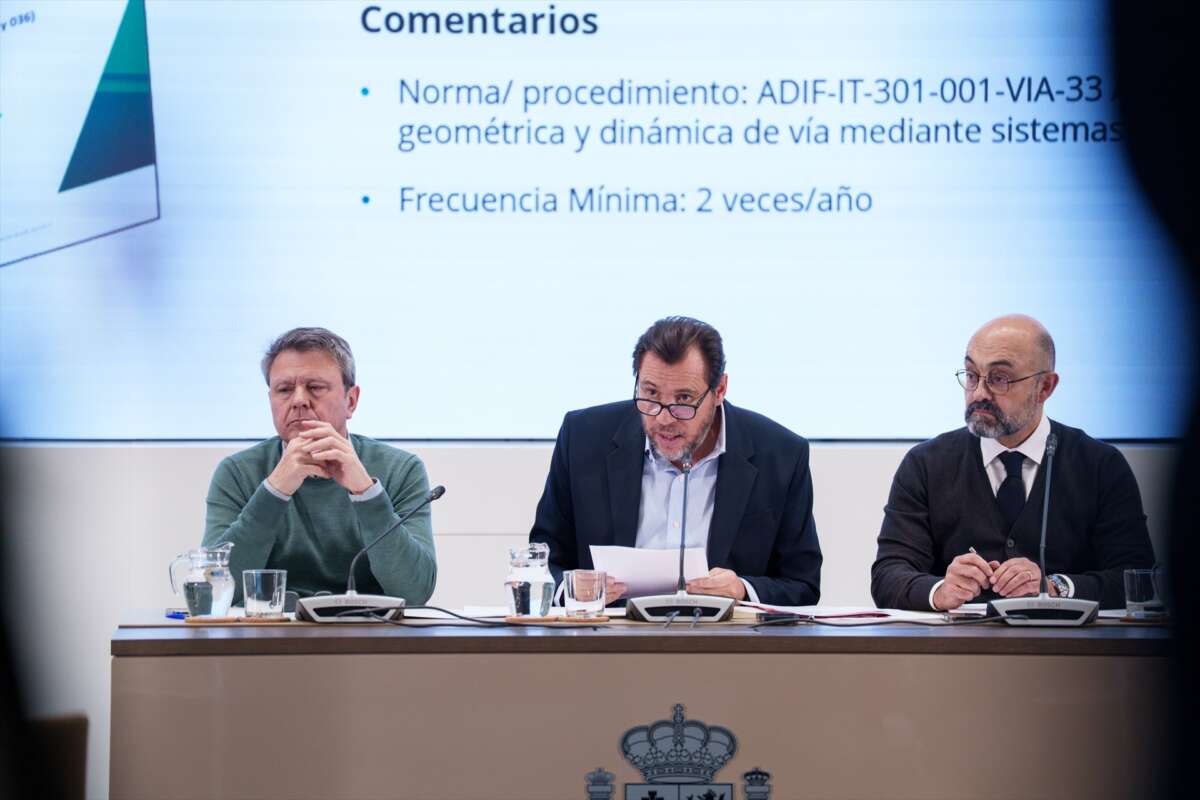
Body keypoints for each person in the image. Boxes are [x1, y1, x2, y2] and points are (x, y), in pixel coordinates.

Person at [529, 316, 822, 607]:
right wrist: (572, 588)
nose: (663, 418)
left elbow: (802, 584)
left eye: (683, 399)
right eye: (650, 393)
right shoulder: (583, 438)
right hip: (608, 632)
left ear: (719, 390)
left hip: (723, 635)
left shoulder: (780, 454)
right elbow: (542, 561)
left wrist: (742, 589)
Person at [871, 314, 1155, 611]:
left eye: (999, 379)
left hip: (1067, 641)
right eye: (971, 375)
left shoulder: (1100, 466)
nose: (979, 393)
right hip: (958, 640)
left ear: (1045, 387)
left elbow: (1137, 578)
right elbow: (888, 575)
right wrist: (941, 590)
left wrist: (1057, 587)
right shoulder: (926, 464)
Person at [202, 327, 436, 604]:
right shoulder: (237, 472)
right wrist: (274, 491)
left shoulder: (401, 469)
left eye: (315, 387)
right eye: (284, 389)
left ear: (351, 401)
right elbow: (213, 593)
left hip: (367, 629)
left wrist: (367, 494)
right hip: (268, 629)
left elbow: (415, 593)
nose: (299, 400)